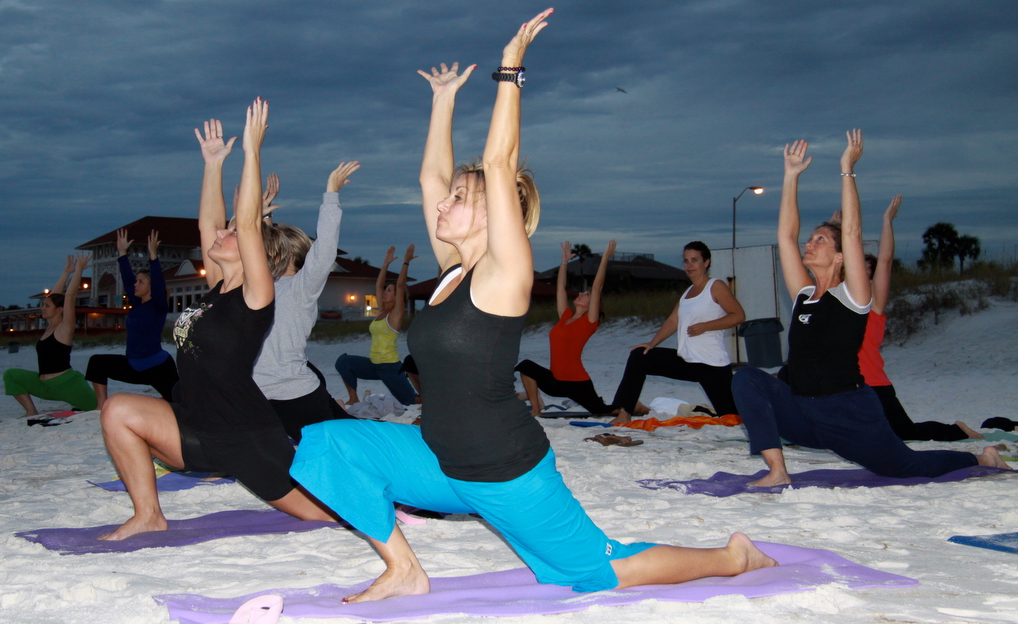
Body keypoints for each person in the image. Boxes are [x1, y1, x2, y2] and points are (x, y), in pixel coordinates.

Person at [291, 10, 776, 604]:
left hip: (503, 468)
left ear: (497, 213)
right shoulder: (449, 273)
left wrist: (510, 71)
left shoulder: (505, 275)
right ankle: (404, 569)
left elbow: (498, 164)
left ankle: (732, 556)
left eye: (461, 199)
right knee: (325, 444)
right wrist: (442, 101)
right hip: (438, 459)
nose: (445, 203)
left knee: (598, 571)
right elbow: (429, 177)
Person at [97, 101, 338, 541]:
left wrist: (252, 150)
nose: (222, 234)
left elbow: (245, 224)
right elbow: (210, 223)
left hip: (245, 435)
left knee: (326, 518)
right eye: (223, 233)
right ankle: (148, 513)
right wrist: (212, 165)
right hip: (194, 424)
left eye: (232, 234)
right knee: (118, 410)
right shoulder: (214, 291)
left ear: (254, 253)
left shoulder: (255, 295)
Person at [731, 131, 1008, 488]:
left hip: (847, 415)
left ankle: (980, 457)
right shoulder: (803, 294)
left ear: (841, 256)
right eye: (811, 237)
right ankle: (777, 470)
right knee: (747, 378)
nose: (809, 243)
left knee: (906, 465)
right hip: (801, 410)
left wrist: (847, 170)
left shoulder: (852, 297)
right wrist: (790, 177)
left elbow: (853, 231)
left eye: (820, 240)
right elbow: (785, 235)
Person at [853, 196, 982, 442]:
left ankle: (957, 430)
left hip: (873, 383)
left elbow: (886, 261)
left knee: (905, 433)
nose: (863, 277)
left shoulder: (874, 306)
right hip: (845, 384)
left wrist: (886, 222)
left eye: (869, 273)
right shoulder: (839, 303)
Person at [248, 164, 359, 442]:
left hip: (293, 393)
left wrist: (331, 194)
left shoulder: (300, 288)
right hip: (261, 394)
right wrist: (261, 218)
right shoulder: (259, 285)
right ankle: (341, 411)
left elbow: (324, 250)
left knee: (348, 438)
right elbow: (257, 250)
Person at [609, 241, 745, 425]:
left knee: (732, 417)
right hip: (687, 360)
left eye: (694, 260)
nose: (689, 265)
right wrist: (652, 343)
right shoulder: (688, 292)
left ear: (706, 262)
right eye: (686, 261)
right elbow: (673, 321)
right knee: (639, 356)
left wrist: (706, 326)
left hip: (711, 365)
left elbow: (738, 315)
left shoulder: (716, 286)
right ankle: (624, 411)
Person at [515, 240, 615, 416]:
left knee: (604, 411)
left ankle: (633, 406)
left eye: (586, 295)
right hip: (555, 381)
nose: (580, 294)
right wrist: (564, 261)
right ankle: (536, 409)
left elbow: (597, 287)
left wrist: (605, 257)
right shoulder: (566, 316)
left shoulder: (589, 321)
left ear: (593, 304)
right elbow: (560, 287)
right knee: (526, 366)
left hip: (577, 383)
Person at [85, 230, 179, 409]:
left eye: (141, 282)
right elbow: (128, 279)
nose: (136, 284)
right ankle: (100, 406)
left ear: (152, 288)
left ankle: (164, 403)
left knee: (180, 402)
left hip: (157, 366)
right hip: (133, 365)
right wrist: (122, 253)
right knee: (97, 362)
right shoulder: (137, 304)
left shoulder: (158, 305)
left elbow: (158, 283)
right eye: (137, 282)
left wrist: (153, 256)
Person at [4, 255, 98, 416]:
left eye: (47, 306)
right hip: (44, 386)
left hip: (66, 385)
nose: (43, 308)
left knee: (101, 409)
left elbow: (69, 296)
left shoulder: (65, 327)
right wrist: (66, 272)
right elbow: (55, 296)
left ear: (59, 310)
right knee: (11, 375)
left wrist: (79, 271)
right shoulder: (49, 327)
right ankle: (31, 411)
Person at [335, 245, 419, 406]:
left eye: (389, 291)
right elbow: (377, 287)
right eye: (386, 290)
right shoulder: (382, 311)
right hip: (374, 365)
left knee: (411, 400)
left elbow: (400, 286)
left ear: (397, 297)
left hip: (390, 367)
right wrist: (385, 264)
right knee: (344, 362)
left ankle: (434, 399)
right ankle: (353, 398)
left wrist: (406, 263)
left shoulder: (396, 314)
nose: (385, 293)